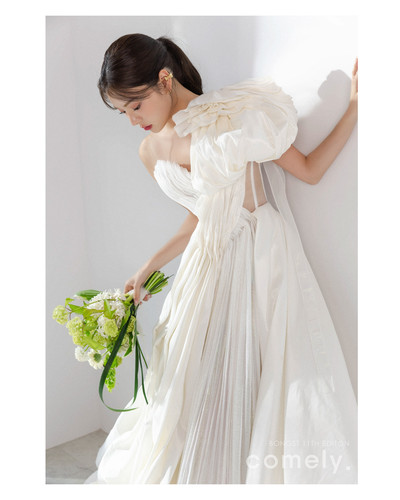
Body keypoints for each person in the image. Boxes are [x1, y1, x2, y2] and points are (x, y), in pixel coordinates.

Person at [85, 33, 358, 484]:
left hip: (259, 256)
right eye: (123, 112)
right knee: (192, 381)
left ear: (164, 79)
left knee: (262, 377)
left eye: (135, 105)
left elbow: (309, 171)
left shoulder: (235, 115)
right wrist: (148, 266)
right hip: (205, 267)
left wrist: (354, 107)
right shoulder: (149, 151)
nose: (133, 120)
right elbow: (199, 217)